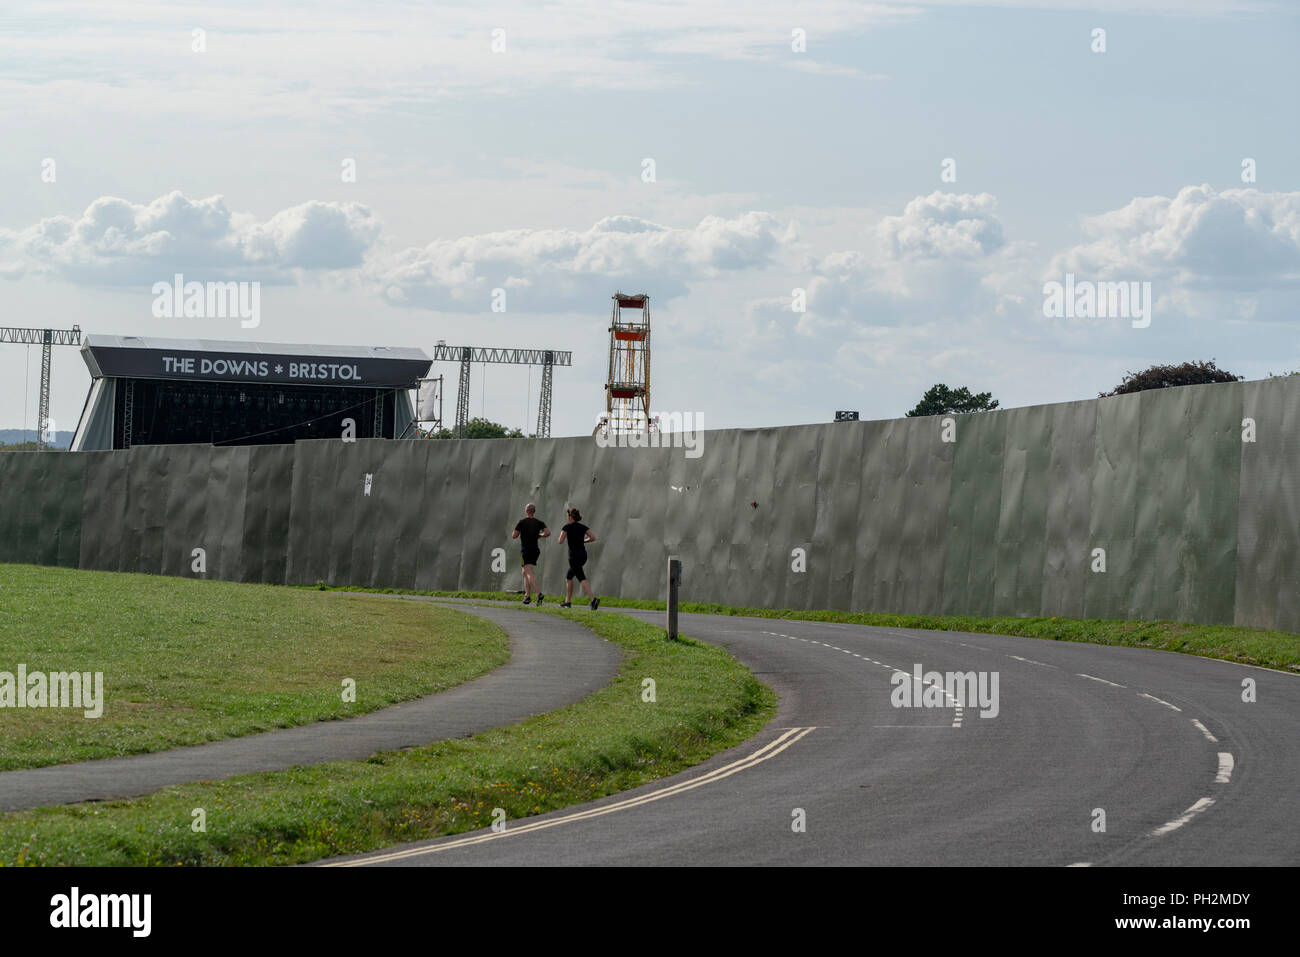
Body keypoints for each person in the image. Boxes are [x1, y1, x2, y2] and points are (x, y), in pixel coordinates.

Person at [556, 506, 598, 609]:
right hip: (583, 555)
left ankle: (593, 599)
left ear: (570, 517)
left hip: (574, 556)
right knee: (569, 576)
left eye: (567, 515)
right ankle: (568, 601)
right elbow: (593, 538)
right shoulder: (583, 527)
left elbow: (560, 541)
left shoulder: (567, 527)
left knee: (581, 577)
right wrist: (584, 541)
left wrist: (563, 535)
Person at [512, 503, 550, 604]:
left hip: (525, 551)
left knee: (528, 572)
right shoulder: (539, 522)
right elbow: (547, 533)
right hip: (535, 550)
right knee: (524, 572)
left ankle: (538, 594)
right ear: (534, 511)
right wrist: (540, 535)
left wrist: (519, 531)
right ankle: (527, 596)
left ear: (526, 511)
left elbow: (514, 535)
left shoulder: (521, 522)